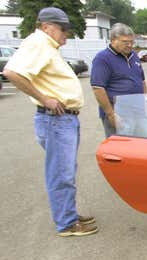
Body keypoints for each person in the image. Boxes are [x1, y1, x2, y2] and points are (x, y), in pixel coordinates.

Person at [3, 7, 98, 237]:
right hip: (56, 119)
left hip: (63, 119)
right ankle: (66, 223)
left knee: (65, 171)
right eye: (63, 30)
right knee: (61, 173)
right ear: (47, 27)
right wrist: (44, 98)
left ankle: (69, 214)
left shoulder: (47, 46)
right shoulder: (39, 42)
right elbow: (12, 72)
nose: (66, 35)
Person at [91, 23, 147, 138]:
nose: (130, 45)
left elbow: (142, 80)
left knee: (143, 148)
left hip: (138, 113)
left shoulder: (134, 56)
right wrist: (111, 115)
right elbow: (98, 88)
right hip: (119, 114)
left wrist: (146, 100)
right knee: (121, 151)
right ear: (113, 40)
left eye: (132, 41)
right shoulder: (103, 58)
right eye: (125, 42)